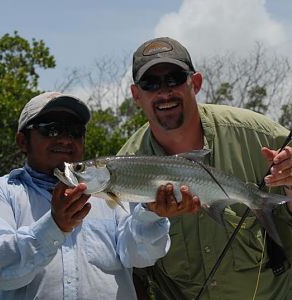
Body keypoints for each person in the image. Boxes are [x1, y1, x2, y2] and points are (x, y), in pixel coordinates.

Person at [118, 37, 292, 300]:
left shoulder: (260, 136)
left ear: (195, 83)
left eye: (174, 78)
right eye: (150, 83)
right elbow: (131, 269)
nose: (164, 92)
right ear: (136, 95)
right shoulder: (123, 166)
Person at [0, 91, 197, 300]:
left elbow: (140, 255)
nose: (65, 139)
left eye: (75, 131)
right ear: (23, 141)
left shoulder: (112, 191)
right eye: (51, 130)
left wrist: (152, 214)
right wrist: (54, 225)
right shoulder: (0, 192)